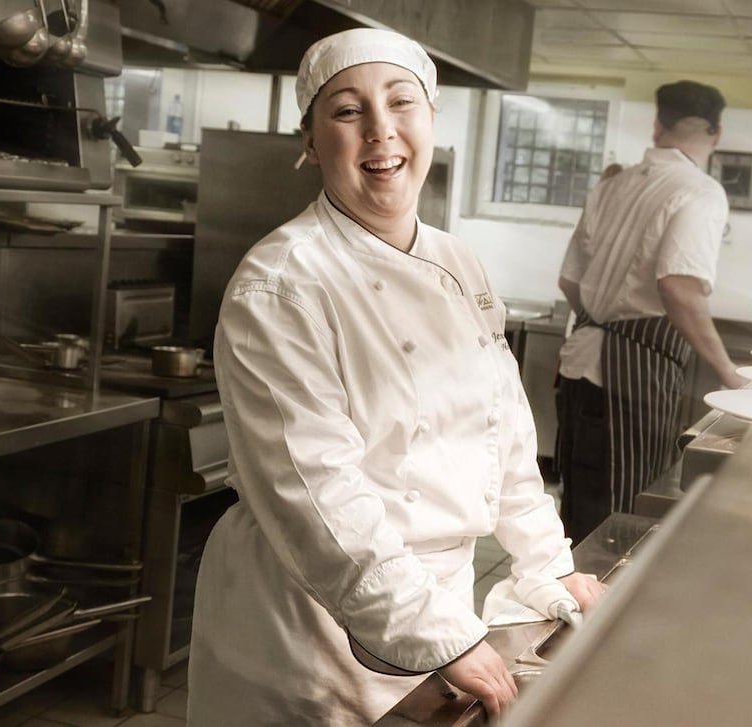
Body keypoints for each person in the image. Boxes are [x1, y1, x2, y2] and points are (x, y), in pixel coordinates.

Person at [187, 28, 605, 726]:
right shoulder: (282, 284)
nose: (381, 130)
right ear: (311, 141)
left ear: (431, 119)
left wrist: (547, 561)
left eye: (401, 102)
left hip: (437, 604)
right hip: (309, 626)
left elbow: (503, 432)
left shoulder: (458, 262)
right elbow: (314, 492)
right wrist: (434, 632)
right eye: (348, 111)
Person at [555, 79, 745, 544]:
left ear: (658, 126)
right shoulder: (701, 191)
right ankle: (607, 591)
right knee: (622, 511)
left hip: (580, 369)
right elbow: (679, 288)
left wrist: (603, 322)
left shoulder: (612, 185)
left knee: (578, 505)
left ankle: (569, 587)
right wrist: (729, 374)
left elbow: (570, 282)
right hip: (630, 380)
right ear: (716, 133)